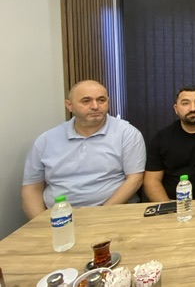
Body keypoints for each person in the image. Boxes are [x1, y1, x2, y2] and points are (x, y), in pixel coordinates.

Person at [22, 80, 146, 219]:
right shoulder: (45, 140)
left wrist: (99, 216)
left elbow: (135, 179)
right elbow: (32, 188)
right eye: (86, 101)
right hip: (59, 217)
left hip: (112, 213)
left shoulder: (126, 133)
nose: (95, 106)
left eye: (101, 100)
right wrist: (40, 223)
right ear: (69, 105)